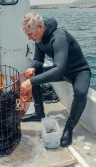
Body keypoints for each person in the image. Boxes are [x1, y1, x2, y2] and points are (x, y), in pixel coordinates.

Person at [20, 12, 91, 147]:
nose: (29, 38)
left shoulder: (58, 37)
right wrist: (33, 68)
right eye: (27, 34)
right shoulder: (38, 38)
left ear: (40, 27)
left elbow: (58, 69)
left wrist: (30, 82)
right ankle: (39, 112)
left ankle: (69, 128)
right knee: (33, 75)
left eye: (30, 34)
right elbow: (37, 59)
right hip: (63, 72)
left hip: (79, 71)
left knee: (81, 92)